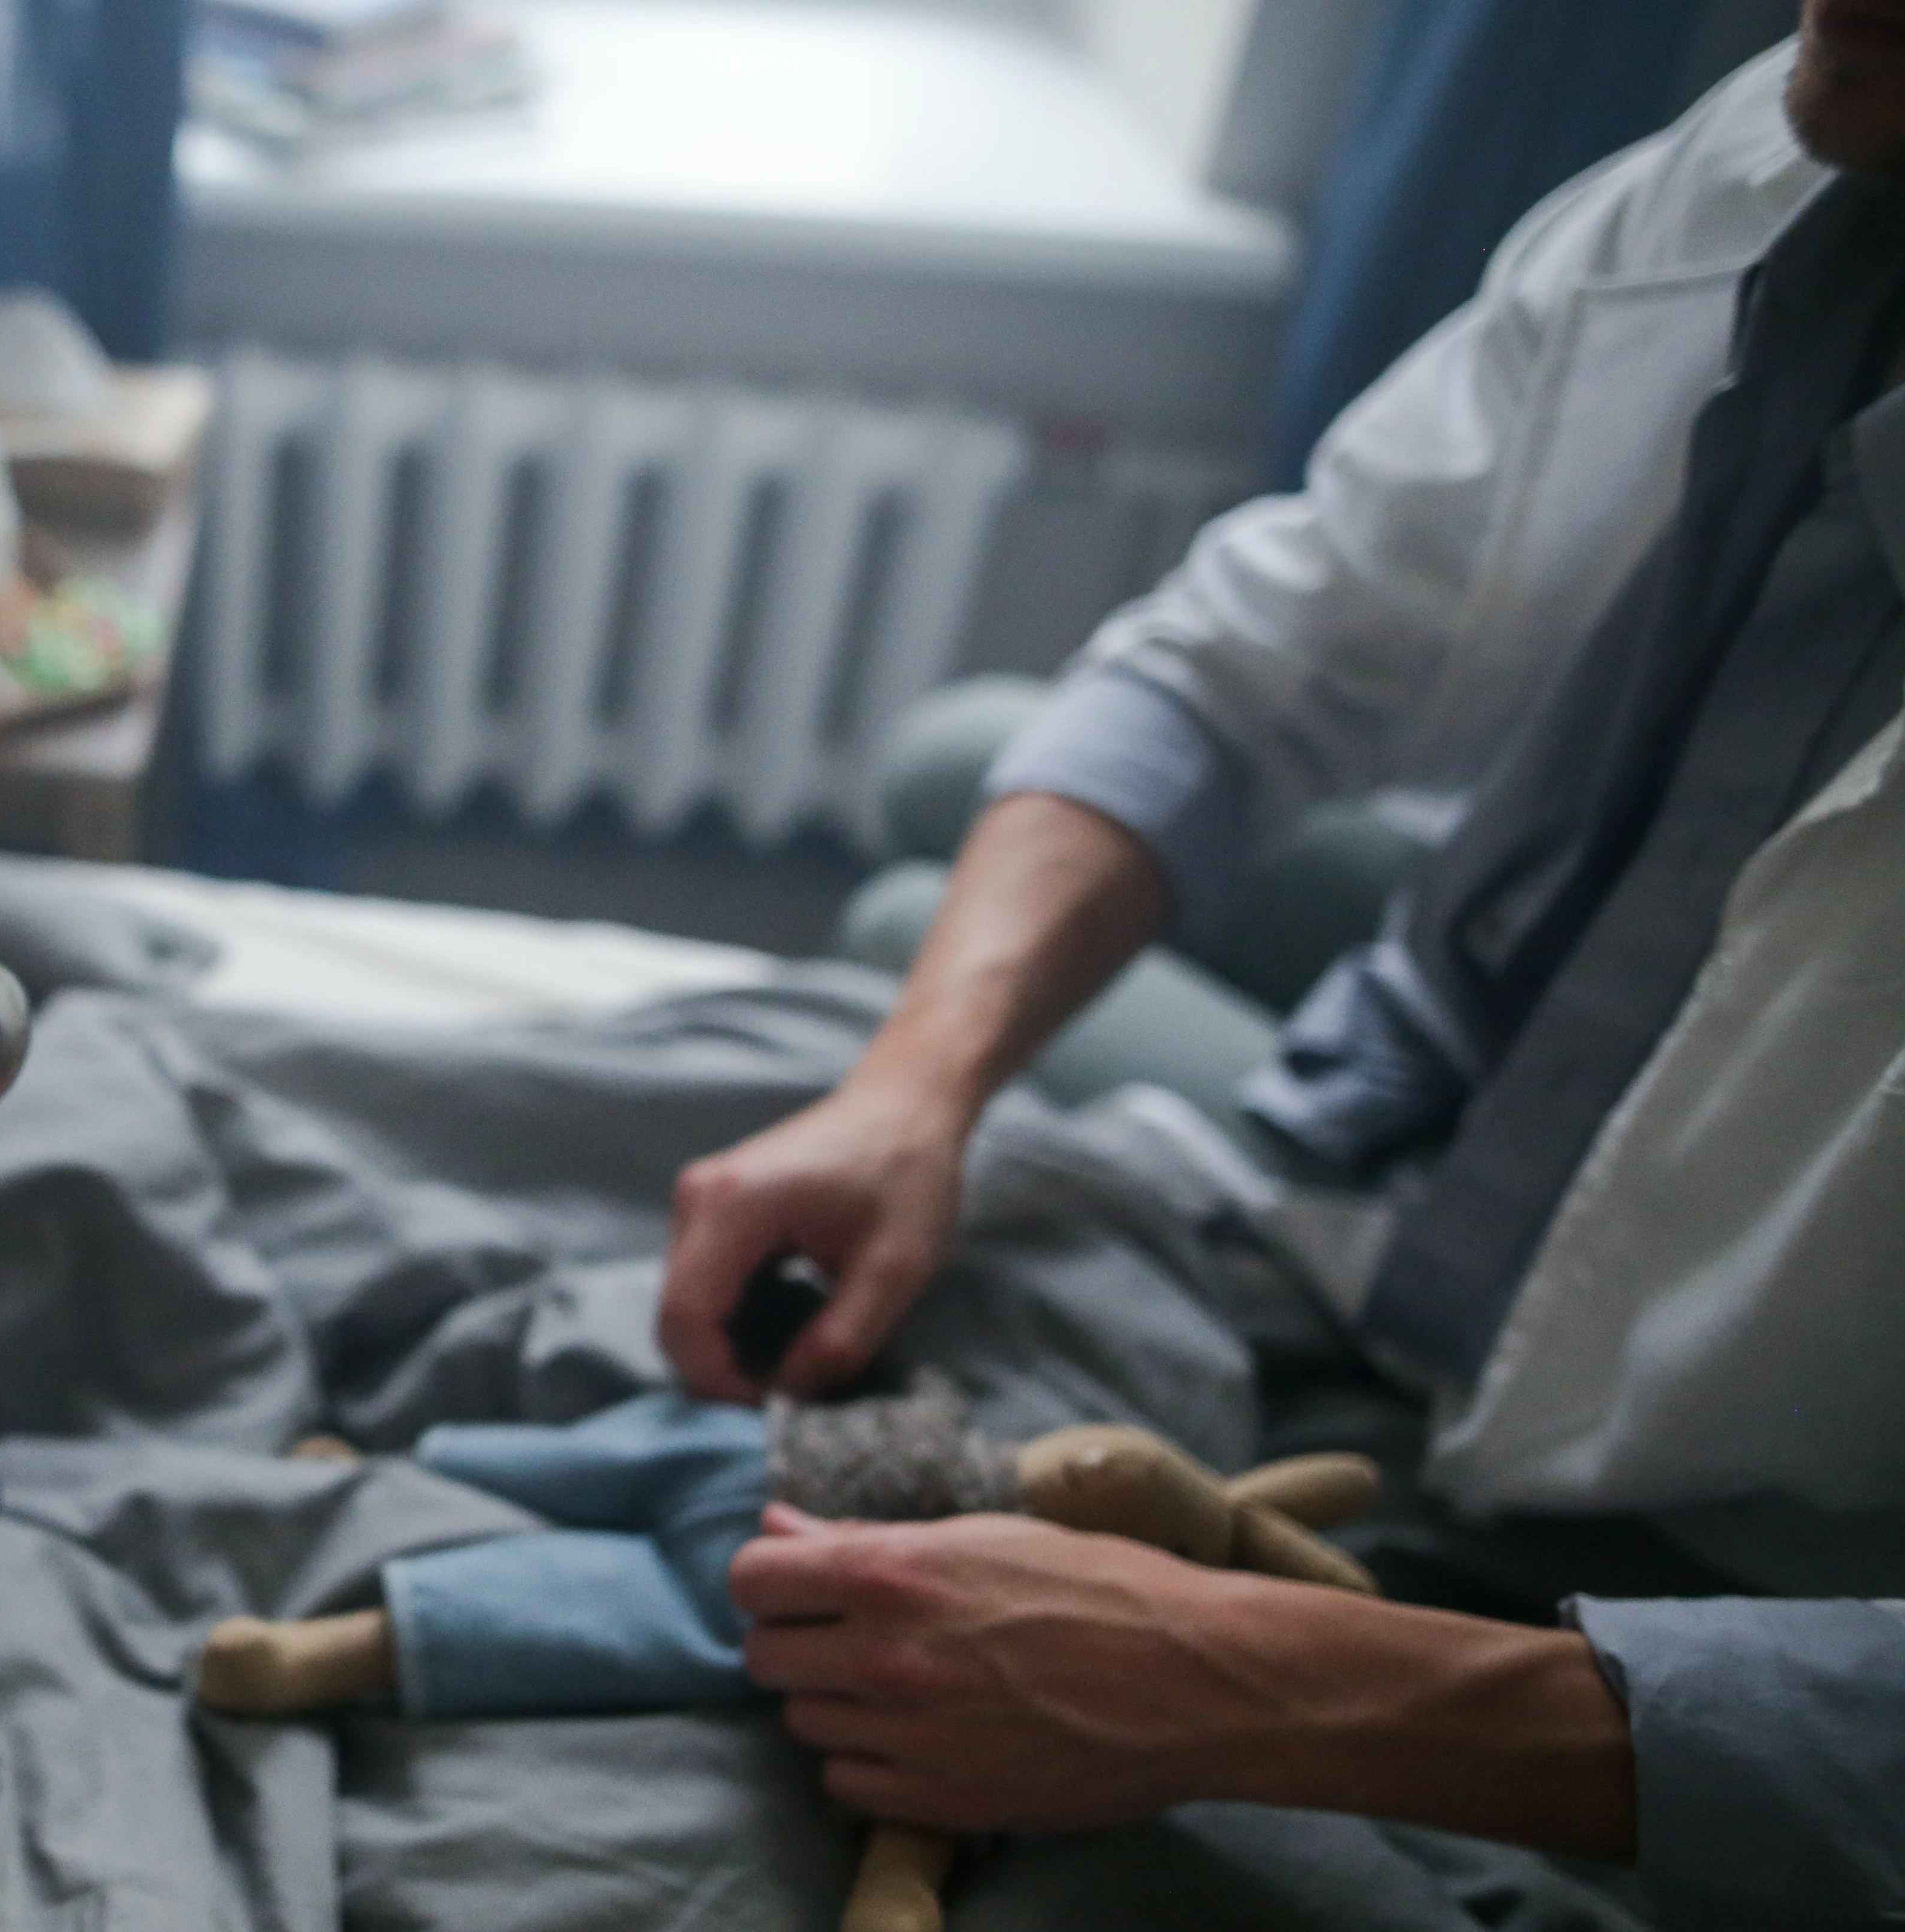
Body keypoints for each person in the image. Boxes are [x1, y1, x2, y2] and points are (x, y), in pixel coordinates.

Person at [661, 8, 1905, 1925]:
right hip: (1471, 1121)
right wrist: (913, 1091)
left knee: (893, 924)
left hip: (1726, 1502)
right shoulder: (1804, 134)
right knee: (944, 853)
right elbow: (1251, 664)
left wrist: (1285, 1688)